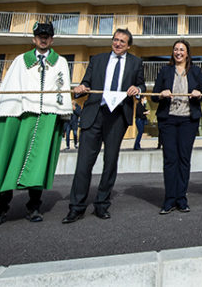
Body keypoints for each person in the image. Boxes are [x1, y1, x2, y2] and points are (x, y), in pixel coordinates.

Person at [0, 22, 73, 227]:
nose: (43, 38)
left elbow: (62, 89)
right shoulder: (20, 61)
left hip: (46, 116)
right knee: (9, 158)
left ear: (52, 39)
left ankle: (34, 207)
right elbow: (10, 85)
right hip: (18, 115)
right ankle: (0, 209)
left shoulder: (61, 62)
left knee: (38, 163)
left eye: (47, 35)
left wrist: (61, 114)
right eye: (40, 35)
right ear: (34, 39)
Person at [62, 28, 146, 224]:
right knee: (84, 163)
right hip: (94, 114)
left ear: (128, 46)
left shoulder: (136, 63)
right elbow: (85, 84)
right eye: (115, 40)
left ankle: (101, 204)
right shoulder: (97, 60)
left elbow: (142, 85)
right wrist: (80, 88)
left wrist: (138, 89)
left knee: (110, 163)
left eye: (122, 42)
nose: (117, 44)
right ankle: (76, 207)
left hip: (117, 117)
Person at [153, 40, 202, 214]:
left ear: (187, 53)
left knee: (184, 159)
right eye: (175, 49)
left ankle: (181, 198)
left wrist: (199, 94)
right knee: (170, 160)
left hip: (188, 121)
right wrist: (161, 94)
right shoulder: (165, 70)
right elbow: (154, 96)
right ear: (172, 52)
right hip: (168, 120)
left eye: (181, 50)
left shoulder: (196, 71)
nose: (178, 52)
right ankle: (169, 199)